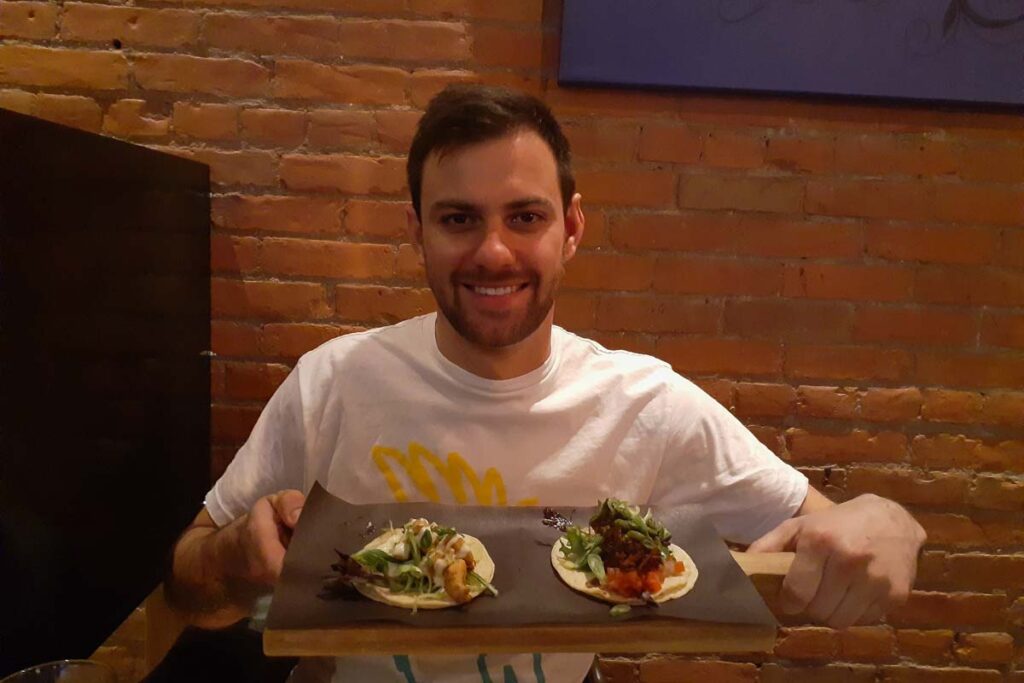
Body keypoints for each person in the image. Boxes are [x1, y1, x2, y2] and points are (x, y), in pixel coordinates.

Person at [165, 85, 926, 682]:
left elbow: (827, 524)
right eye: (458, 219)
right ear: (416, 230)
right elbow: (186, 588)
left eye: (525, 217)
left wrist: (884, 516)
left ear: (573, 228)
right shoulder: (332, 383)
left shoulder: (643, 403)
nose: (494, 252)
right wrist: (231, 562)